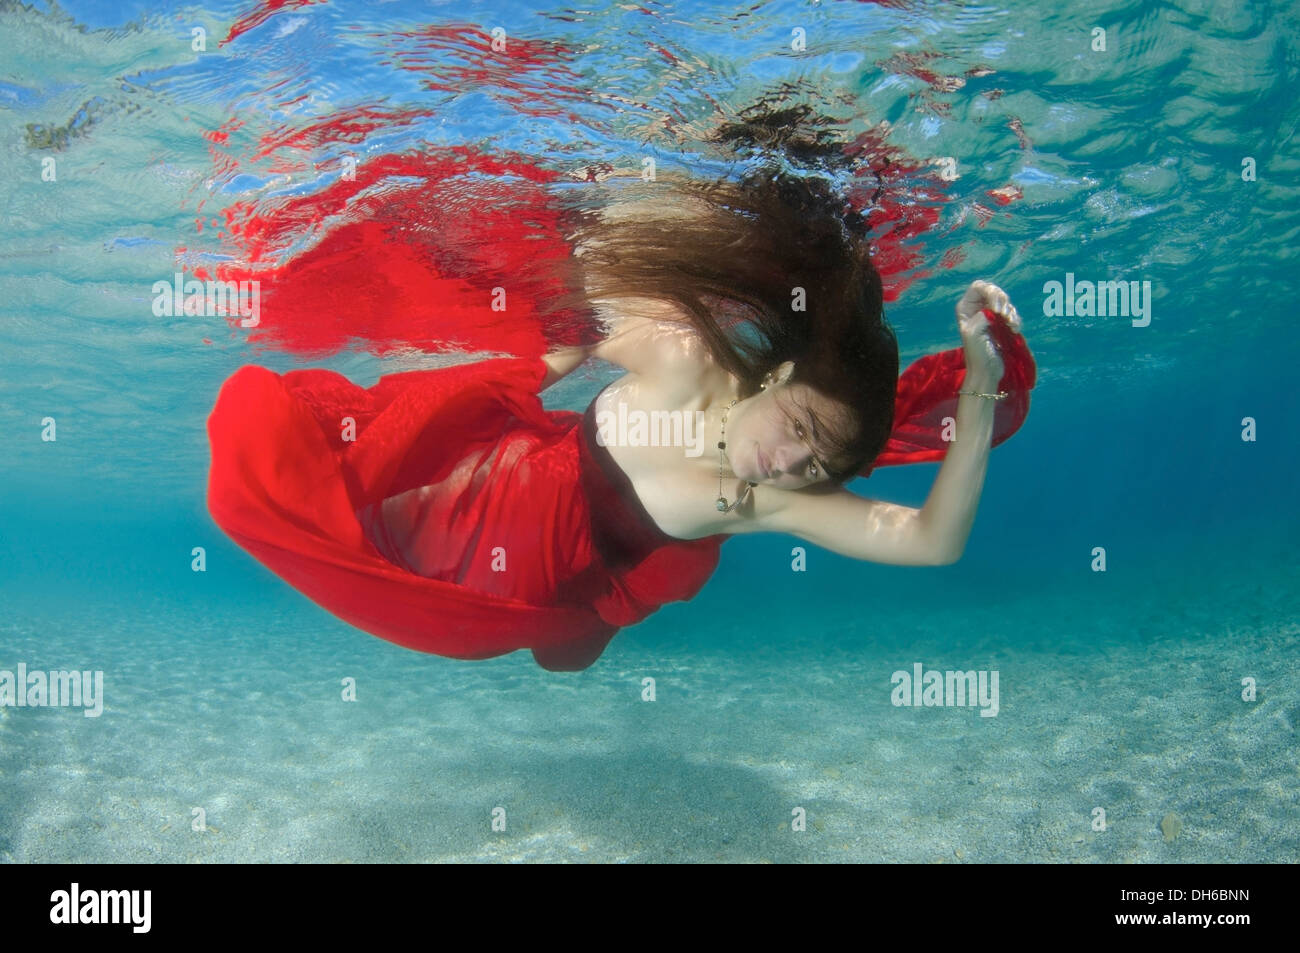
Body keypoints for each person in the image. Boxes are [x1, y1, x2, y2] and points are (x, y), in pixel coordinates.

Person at [206, 121, 1036, 672]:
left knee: (566, 649)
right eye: (799, 429)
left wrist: (981, 385)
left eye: (815, 462)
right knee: (303, 497)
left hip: (544, 593)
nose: (788, 463)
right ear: (777, 377)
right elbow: (567, 307)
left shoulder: (758, 503)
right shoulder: (680, 350)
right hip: (488, 493)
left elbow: (933, 541)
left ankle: (585, 623)